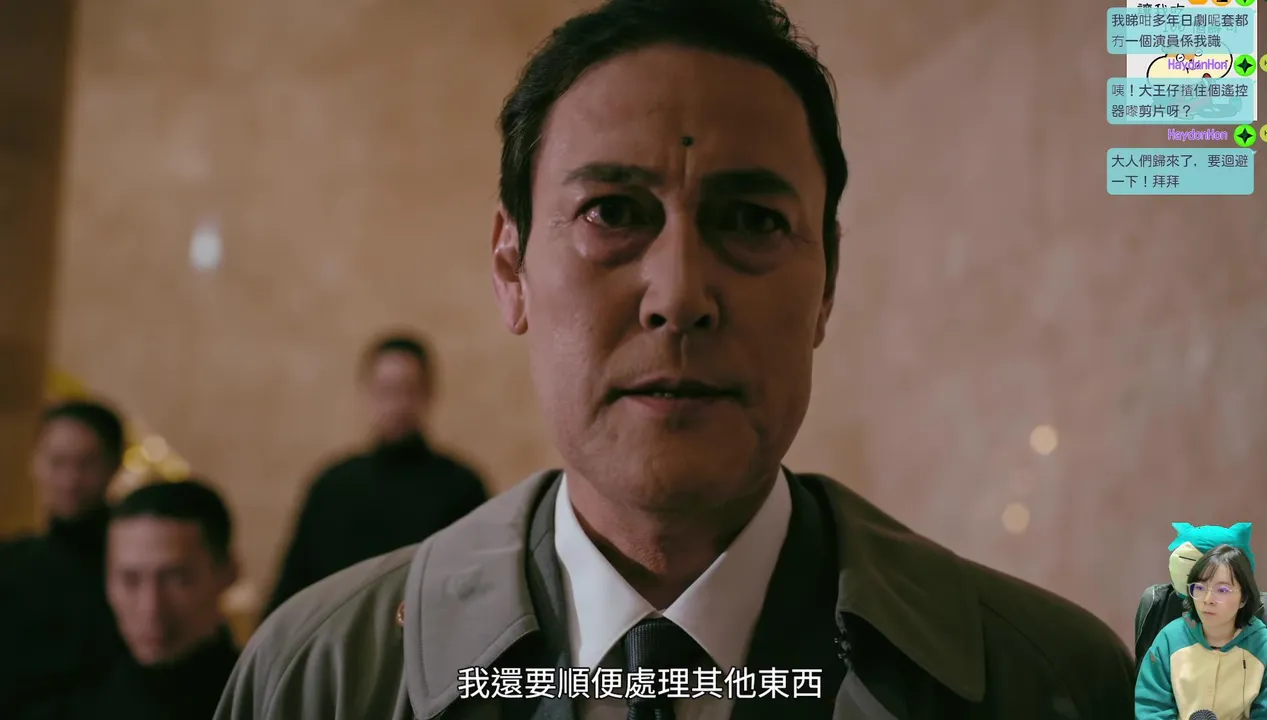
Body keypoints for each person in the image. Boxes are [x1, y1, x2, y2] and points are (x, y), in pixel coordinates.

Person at [216, 1, 1135, 717]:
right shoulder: (319, 679)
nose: (681, 294)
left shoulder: (1049, 685)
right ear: (511, 270)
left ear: (826, 282)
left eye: (752, 221)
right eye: (612, 213)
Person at [262, 332, 488, 617]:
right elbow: (292, 591)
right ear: (367, 393)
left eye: (408, 390)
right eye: (386, 391)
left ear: (428, 393)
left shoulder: (461, 488)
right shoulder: (332, 487)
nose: (397, 404)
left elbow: (481, 587)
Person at [29, 479, 241, 720]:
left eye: (177, 579)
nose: (151, 608)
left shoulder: (263, 703)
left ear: (228, 573)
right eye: (130, 580)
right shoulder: (68, 708)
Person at [0, 400, 128, 718]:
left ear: (115, 465)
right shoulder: (11, 561)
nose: (70, 480)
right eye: (57, 462)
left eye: (87, 463)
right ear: (34, 464)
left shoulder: (134, 566)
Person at [1136, 543, 1267, 718]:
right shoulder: (1169, 639)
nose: (1208, 599)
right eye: (1199, 588)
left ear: (1243, 598)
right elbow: (1152, 707)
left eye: (1222, 590)